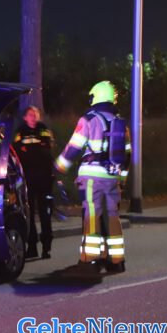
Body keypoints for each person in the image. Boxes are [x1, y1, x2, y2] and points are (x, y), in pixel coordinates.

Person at [55, 81, 130, 274]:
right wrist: (122, 180)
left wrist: (58, 167)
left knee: (92, 215)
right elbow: (127, 155)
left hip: (91, 178)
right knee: (112, 216)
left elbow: (74, 148)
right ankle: (116, 260)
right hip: (112, 177)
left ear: (96, 97)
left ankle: (89, 260)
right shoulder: (120, 123)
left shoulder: (88, 120)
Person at [13, 106, 55, 259]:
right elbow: (17, 150)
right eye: (30, 115)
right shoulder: (20, 131)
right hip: (28, 178)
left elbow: (47, 147)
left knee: (45, 213)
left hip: (44, 177)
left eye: (35, 114)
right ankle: (31, 247)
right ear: (25, 117)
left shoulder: (43, 129)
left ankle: (46, 247)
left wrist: (29, 150)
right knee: (29, 214)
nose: (33, 117)